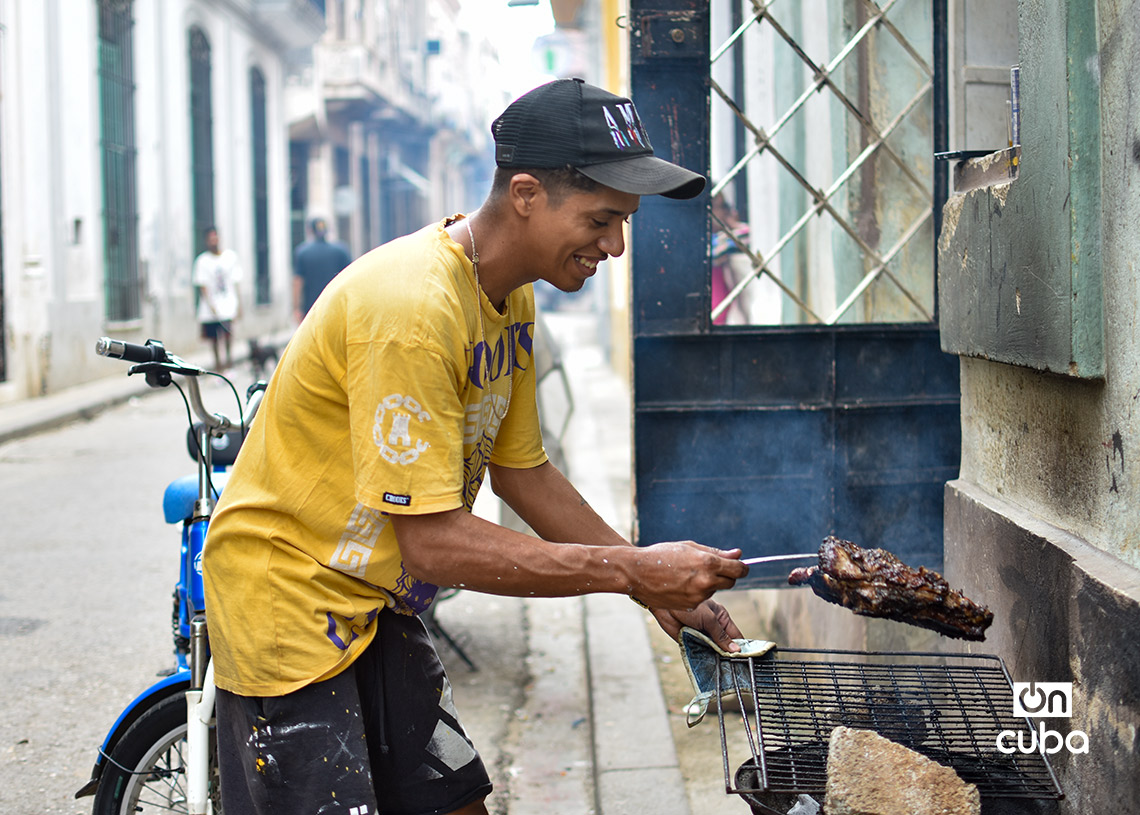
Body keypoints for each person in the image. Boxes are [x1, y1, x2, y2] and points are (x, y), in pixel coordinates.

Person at [203, 78, 749, 815]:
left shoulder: (510, 294)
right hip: (289, 602)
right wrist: (632, 569)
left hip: (373, 601)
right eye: (600, 218)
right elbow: (432, 544)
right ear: (525, 193)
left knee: (458, 800)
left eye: (624, 222)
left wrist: (650, 583)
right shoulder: (413, 308)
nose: (616, 245)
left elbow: (524, 474)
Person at [192, 226, 243, 370]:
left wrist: (239, 304)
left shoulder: (230, 257)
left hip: (227, 305)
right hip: (210, 309)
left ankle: (229, 364)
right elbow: (202, 285)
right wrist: (211, 305)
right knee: (214, 340)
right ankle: (218, 367)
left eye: (215, 237)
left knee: (228, 336)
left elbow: (235, 282)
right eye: (210, 238)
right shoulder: (202, 261)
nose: (213, 241)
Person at [293, 216, 352, 324]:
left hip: (311, 308)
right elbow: (350, 279)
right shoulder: (341, 251)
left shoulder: (302, 252)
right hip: (335, 305)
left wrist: (297, 309)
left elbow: (298, 282)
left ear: (310, 231)